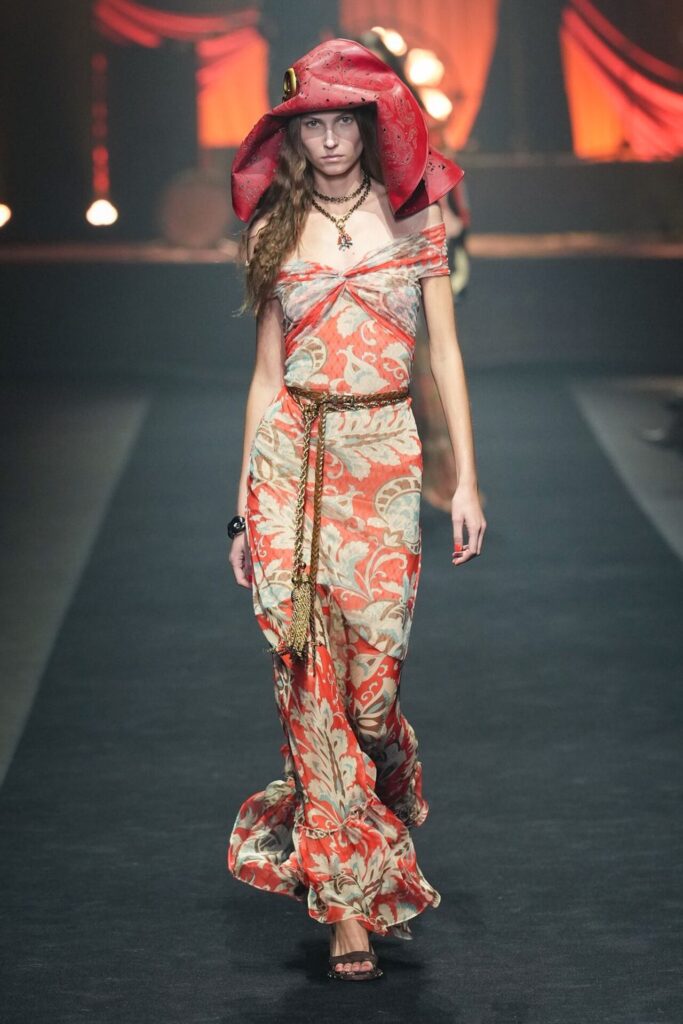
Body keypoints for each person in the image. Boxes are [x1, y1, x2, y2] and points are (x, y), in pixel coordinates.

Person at [226, 38, 486, 982]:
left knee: (370, 694)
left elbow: (442, 354)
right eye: (314, 125)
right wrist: (241, 509)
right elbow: (265, 377)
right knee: (309, 680)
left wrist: (466, 481)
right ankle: (347, 909)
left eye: (344, 121)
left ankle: (382, 786)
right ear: (294, 138)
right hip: (292, 463)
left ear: (369, 129)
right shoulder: (272, 226)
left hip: (385, 461)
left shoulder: (417, 215)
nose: (330, 139)